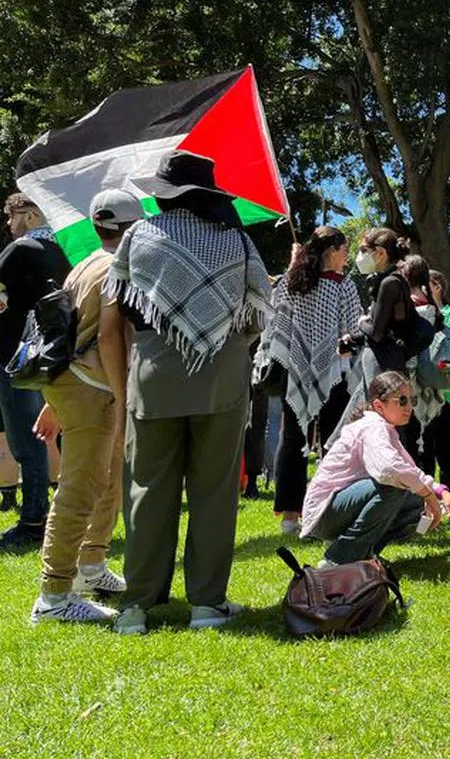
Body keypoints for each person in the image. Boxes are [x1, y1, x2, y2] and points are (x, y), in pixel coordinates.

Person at [106, 150, 272, 634]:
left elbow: (122, 308)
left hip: (153, 374)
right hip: (221, 373)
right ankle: (206, 604)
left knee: (146, 490)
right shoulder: (235, 241)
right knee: (214, 491)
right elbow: (258, 311)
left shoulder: (140, 235)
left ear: (164, 194)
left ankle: (135, 606)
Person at [27, 190, 140, 623]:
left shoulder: (87, 263)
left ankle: (90, 568)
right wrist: (124, 393)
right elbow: (109, 338)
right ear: (133, 228)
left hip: (77, 386)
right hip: (94, 387)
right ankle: (54, 596)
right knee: (79, 489)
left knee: (106, 480)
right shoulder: (116, 268)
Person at [254, 226, 361, 534]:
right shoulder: (344, 286)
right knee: (333, 442)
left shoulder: (292, 281)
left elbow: (277, 321)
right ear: (333, 250)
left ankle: (290, 515)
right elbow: (351, 329)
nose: (347, 256)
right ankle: (327, 509)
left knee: (292, 440)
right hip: (335, 372)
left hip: (295, 370)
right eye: (345, 250)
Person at [300, 371, 450, 567]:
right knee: (394, 486)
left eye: (412, 400)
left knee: (412, 498)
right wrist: (428, 496)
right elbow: (390, 471)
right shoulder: (373, 427)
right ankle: (337, 559)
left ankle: (364, 555)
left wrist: (440, 492)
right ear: (378, 405)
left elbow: (410, 470)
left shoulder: (385, 429)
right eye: (402, 400)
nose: (409, 407)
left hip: (337, 510)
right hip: (324, 515)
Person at [0, 193, 71, 550]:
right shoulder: (66, 251)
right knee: (43, 439)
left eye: (11, 217)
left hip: (15, 358)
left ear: (29, 216)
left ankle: (32, 521)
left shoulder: (19, 250)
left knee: (25, 443)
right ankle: (41, 516)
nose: (9, 226)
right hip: (52, 357)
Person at [419, 269, 450, 494]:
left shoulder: (449, 316)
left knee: (443, 445)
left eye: (425, 284)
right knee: (427, 445)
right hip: (430, 390)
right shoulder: (424, 313)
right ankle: (429, 495)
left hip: (445, 392)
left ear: (437, 287)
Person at [341, 227, 415, 371]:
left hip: (384, 367)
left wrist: (360, 321)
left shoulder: (390, 283)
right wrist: (354, 340)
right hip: (384, 363)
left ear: (381, 253)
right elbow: (386, 330)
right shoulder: (391, 280)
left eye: (363, 250)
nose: (359, 256)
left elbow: (377, 334)